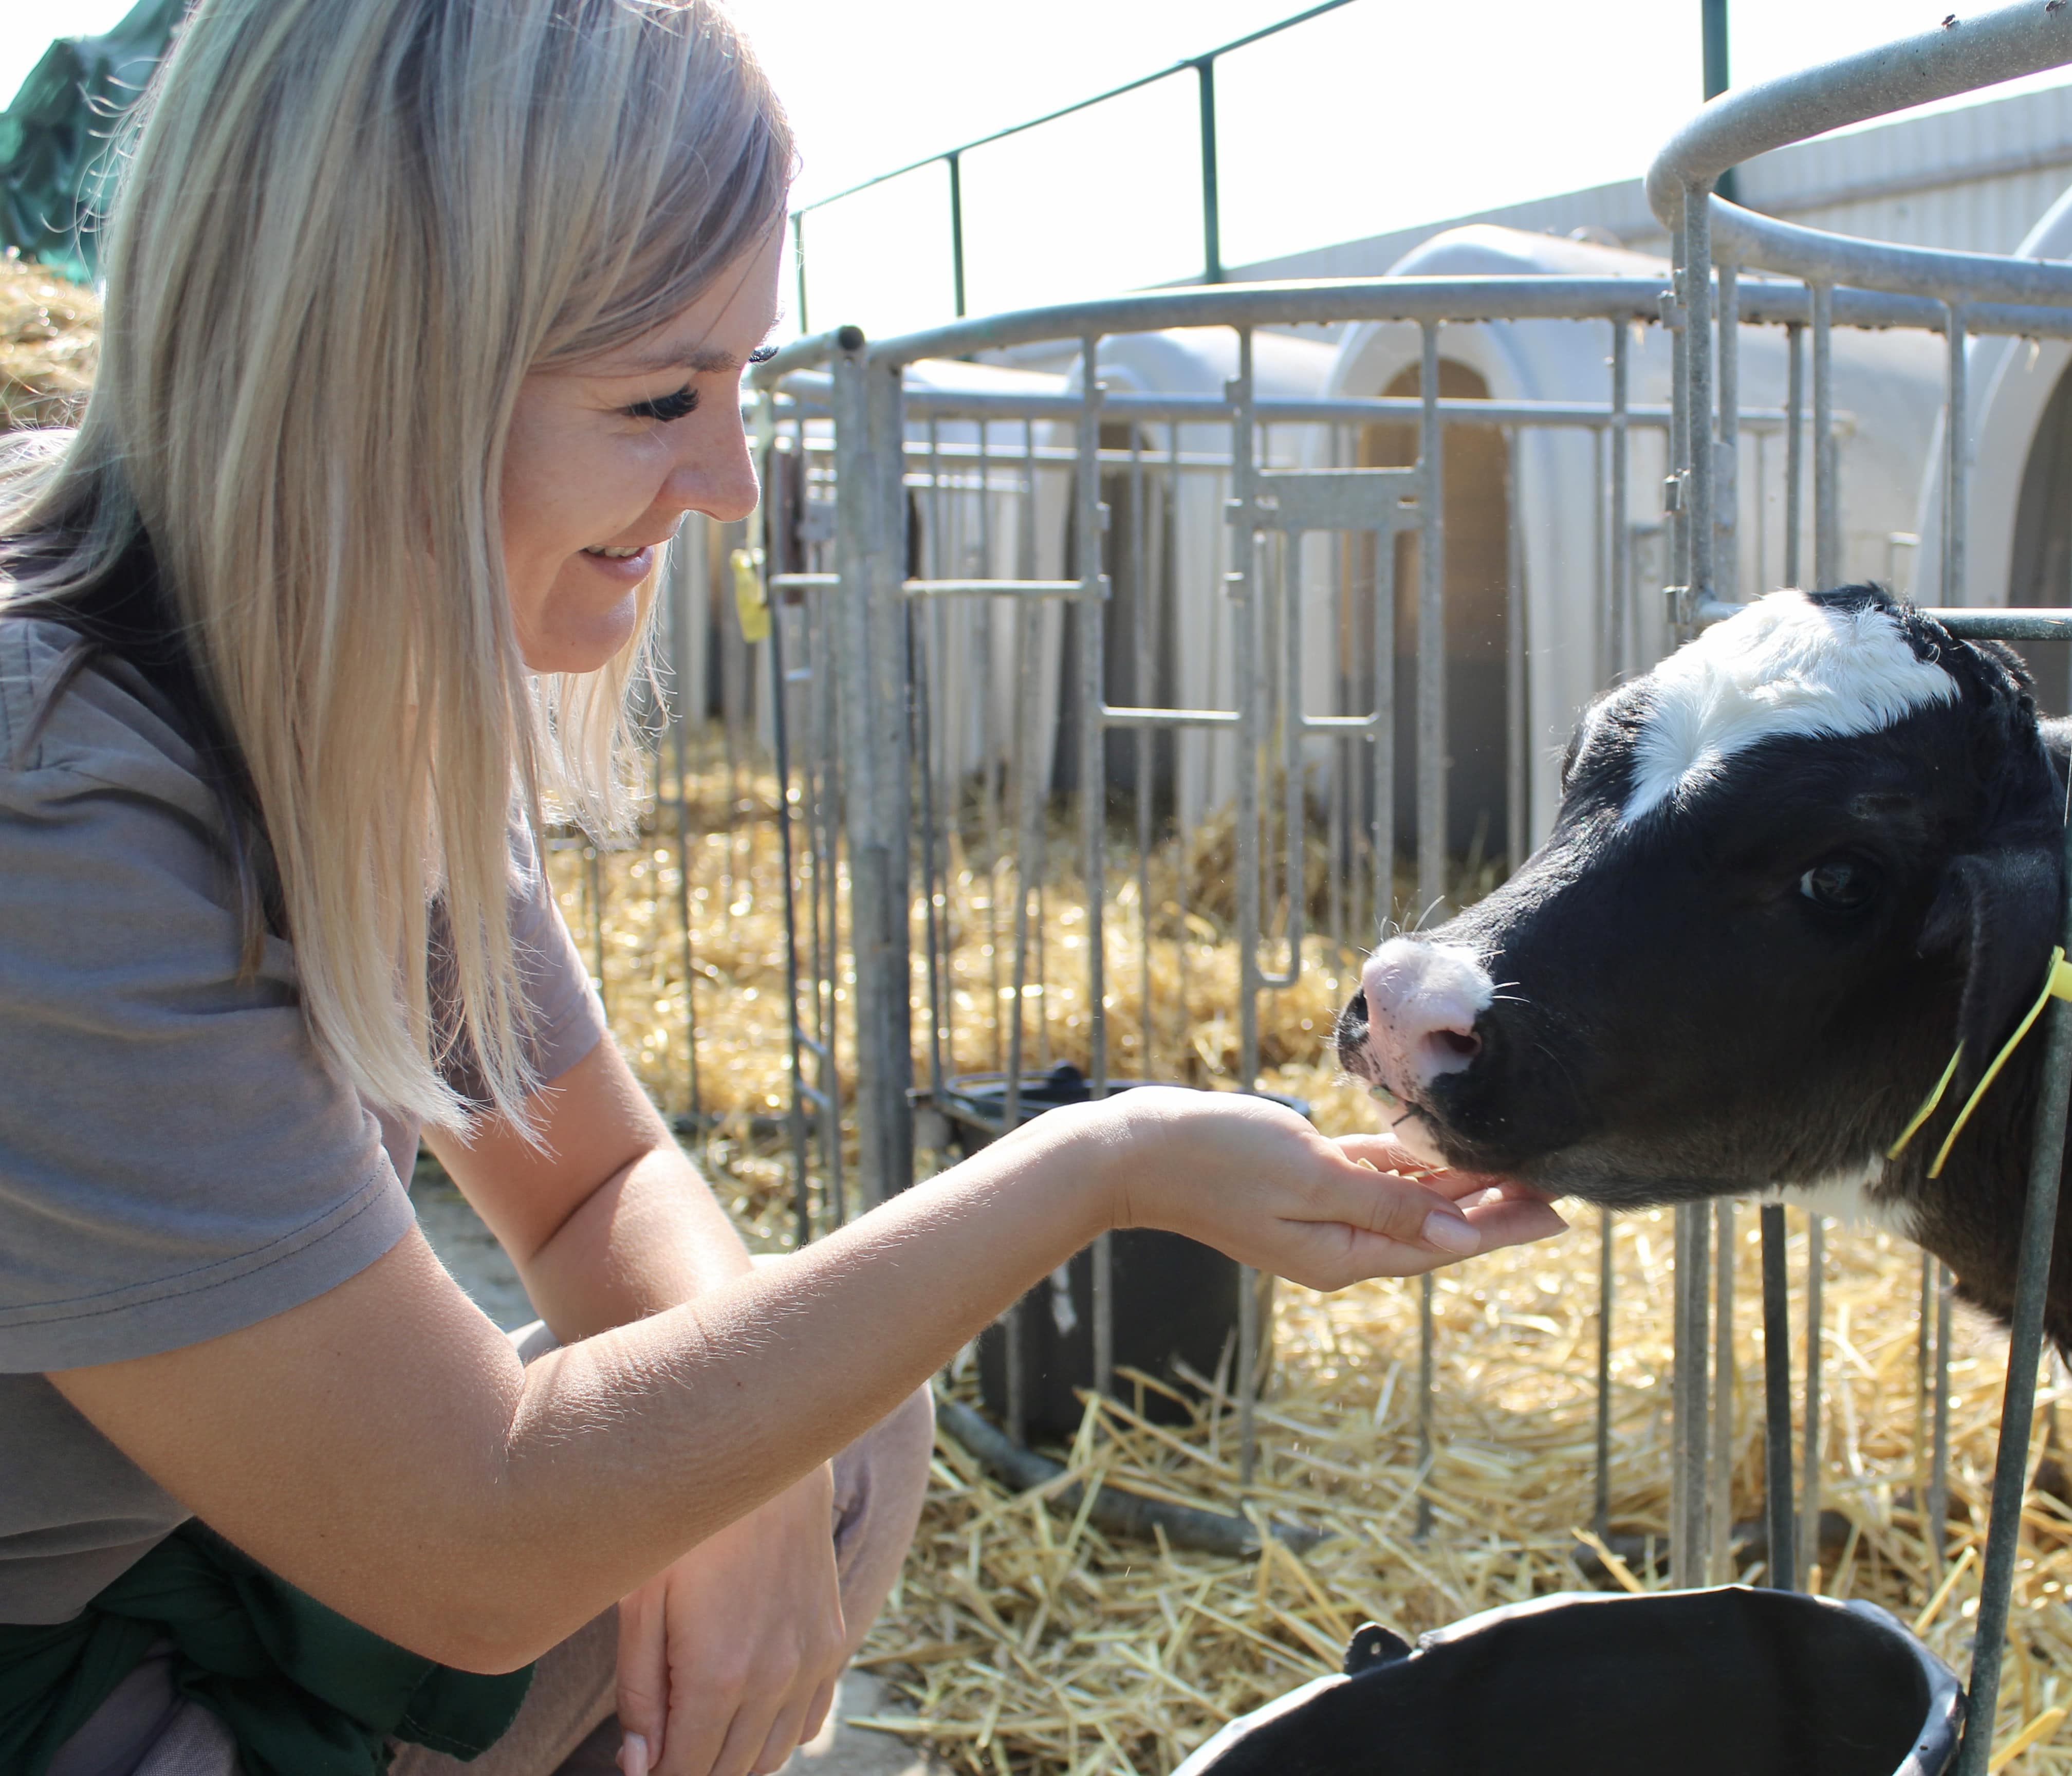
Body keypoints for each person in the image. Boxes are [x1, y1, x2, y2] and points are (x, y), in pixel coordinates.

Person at [0, 3, 1566, 1773]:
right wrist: (1090, 1165)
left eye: (738, 387)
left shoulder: (351, 709)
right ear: (369, 374)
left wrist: (731, 1492)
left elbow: (589, 1176)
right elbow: (472, 1546)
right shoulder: (55, 809)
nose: (730, 485)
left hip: (154, 1572)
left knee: (824, 1433)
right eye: (661, 397)